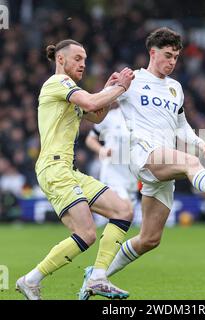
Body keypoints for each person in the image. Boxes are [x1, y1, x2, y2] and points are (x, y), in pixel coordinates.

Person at [78, 28, 205, 299]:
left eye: (176, 56)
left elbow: (180, 125)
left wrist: (199, 142)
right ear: (152, 53)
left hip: (163, 158)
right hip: (143, 155)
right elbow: (95, 110)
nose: (172, 61)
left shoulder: (176, 88)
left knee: (150, 239)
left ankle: (96, 275)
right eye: (167, 55)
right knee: (189, 163)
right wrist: (111, 86)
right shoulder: (133, 80)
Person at [15, 39, 135, 300]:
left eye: (85, 59)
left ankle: (98, 277)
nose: (83, 63)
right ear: (61, 59)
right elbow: (92, 104)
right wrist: (121, 87)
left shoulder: (71, 91)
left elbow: (96, 115)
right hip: (53, 167)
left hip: (68, 170)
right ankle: (31, 279)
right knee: (86, 233)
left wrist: (110, 88)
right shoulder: (58, 83)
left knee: (123, 210)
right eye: (78, 58)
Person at [85, 104, 139, 227]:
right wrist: (101, 150)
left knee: (124, 219)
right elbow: (90, 139)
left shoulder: (143, 118)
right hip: (112, 173)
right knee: (126, 210)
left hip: (131, 175)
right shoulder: (110, 117)